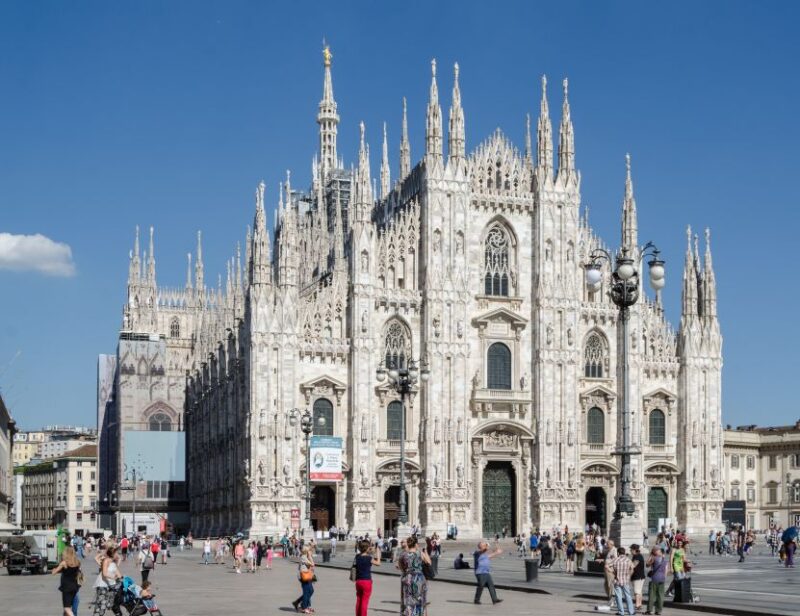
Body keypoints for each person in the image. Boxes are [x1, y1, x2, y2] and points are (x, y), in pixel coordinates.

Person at [397, 535, 430, 616]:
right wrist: (424, 551)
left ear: (408, 544)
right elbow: (428, 562)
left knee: (408, 600)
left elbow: (401, 568)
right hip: (419, 578)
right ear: (416, 544)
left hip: (408, 578)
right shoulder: (420, 553)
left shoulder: (403, 555)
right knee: (420, 599)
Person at [353, 540, 381, 616]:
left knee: (359, 600)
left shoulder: (357, 556)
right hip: (366, 581)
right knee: (365, 601)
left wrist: (368, 549)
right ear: (367, 548)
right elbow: (378, 563)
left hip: (358, 581)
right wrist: (378, 553)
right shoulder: (369, 558)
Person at [92, 547, 122, 616]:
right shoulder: (106, 561)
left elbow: (119, 575)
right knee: (102, 604)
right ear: (113, 554)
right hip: (103, 585)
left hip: (111, 586)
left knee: (109, 604)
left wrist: (124, 579)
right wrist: (113, 577)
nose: (117, 555)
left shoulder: (113, 563)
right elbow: (104, 573)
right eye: (116, 553)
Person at [52, 546, 82, 616]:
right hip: (75, 586)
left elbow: (54, 573)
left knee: (67, 608)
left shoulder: (64, 563)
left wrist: (54, 569)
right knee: (71, 605)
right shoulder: (77, 562)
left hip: (67, 588)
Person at [472, 540, 504, 605]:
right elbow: (482, 551)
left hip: (486, 572)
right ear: (480, 546)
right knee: (481, 586)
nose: (485, 546)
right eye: (484, 545)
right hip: (480, 573)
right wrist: (488, 548)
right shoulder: (476, 553)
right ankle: (476, 600)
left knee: (491, 585)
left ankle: (494, 599)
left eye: (485, 545)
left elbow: (490, 555)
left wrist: (497, 552)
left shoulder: (485, 554)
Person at [608, 546, 635, 616]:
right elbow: (632, 568)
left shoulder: (615, 560)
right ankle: (631, 612)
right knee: (628, 596)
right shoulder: (628, 560)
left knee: (618, 597)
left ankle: (621, 612)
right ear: (624, 552)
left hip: (617, 581)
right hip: (625, 581)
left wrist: (613, 572)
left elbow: (606, 566)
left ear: (618, 553)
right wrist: (629, 575)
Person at [292, 544, 316, 614]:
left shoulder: (306, 557)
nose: (310, 551)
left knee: (311, 591)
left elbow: (310, 566)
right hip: (304, 577)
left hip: (308, 576)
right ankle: (304, 607)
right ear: (306, 551)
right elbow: (312, 564)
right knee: (307, 592)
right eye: (309, 550)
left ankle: (299, 603)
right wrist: (310, 557)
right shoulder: (304, 557)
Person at [645, 547, 667, 615]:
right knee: (660, 596)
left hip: (655, 578)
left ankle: (650, 610)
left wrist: (650, 556)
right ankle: (658, 611)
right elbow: (666, 570)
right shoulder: (665, 560)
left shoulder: (654, 558)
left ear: (655, 552)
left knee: (652, 595)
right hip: (662, 579)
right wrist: (663, 577)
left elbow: (647, 565)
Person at [629, 544, 646, 612]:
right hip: (640, 576)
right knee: (639, 591)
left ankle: (637, 605)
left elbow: (633, 565)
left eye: (631, 549)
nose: (630, 551)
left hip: (637, 576)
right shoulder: (637, 556)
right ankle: (639, 604)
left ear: (634, 550)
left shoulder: (637, 556)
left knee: (637, 591)